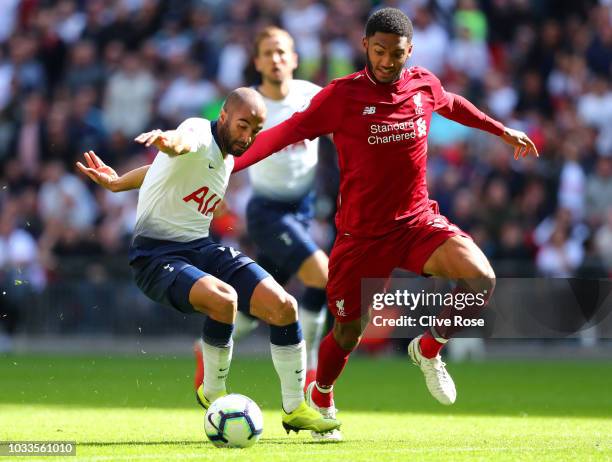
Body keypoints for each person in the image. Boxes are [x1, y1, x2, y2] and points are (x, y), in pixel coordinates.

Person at [231, 8, 539, 435]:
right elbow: (288, 132)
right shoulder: (342, 97)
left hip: (416, 223)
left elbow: (452, 104)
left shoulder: (422, 83)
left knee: (481, 279)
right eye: (379, 51)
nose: (387, 61)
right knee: (348, 332)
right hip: (361, 237)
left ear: (409, 50)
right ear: (365, 47)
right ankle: (321, 394)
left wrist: (501, 130)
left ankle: (428, 349)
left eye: (396, 53)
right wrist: (230, 162)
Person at [76, 87, 340, 436]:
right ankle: (213, 392)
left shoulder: (228, 156)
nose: (248, 137)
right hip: (154, 255)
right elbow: (181, 144)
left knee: (284, 306)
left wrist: (118, 183)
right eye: (243, 125)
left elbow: (160, 169)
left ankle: (295, 409)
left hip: (199, 247)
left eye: (255, 131)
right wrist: (168, 140)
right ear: (224, 116)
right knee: (225, 300)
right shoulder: (199, 132)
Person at [219, 26, 330, 396]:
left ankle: (210, 348)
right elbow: (225, 148)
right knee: (321, 274)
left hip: (304, 209)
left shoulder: (313, 96)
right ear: (257, 61)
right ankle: (312, 370)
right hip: (267, 212)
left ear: (295, 58)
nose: (276, 58)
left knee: (254, 307)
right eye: (268, 52)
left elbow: (343, 134)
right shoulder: (251, 106)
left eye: (282, 51)